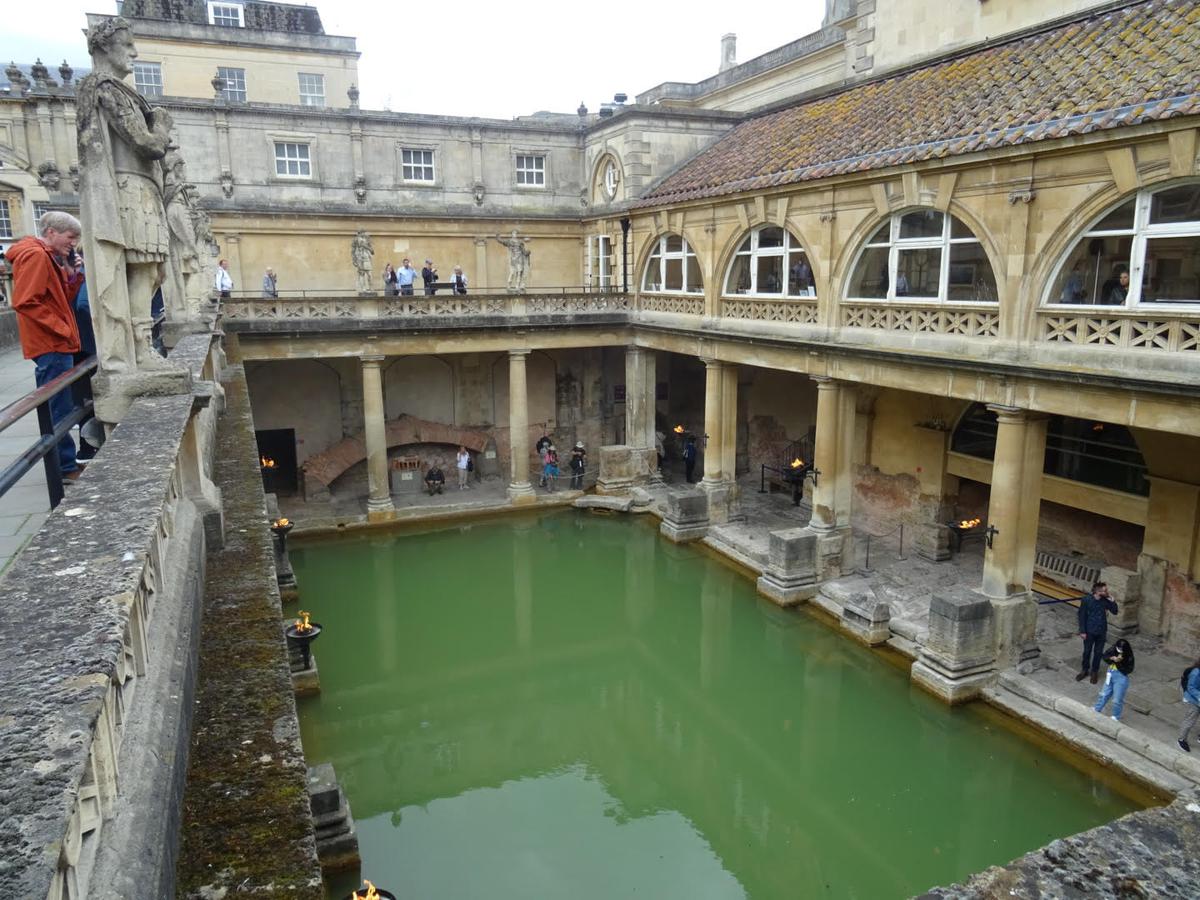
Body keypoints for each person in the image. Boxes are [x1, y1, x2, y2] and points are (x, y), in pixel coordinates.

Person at [5, 211, 84, 482]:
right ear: (51, 232)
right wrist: (62, 329)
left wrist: (73, 276)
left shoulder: (49, 257)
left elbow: (60, 299)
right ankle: (65, 467)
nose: (73, 243)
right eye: (70, 237)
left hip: (55, 342)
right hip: (52, 343)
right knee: (58, 406)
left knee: (60, 403)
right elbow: (25, 301)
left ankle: (65, 463)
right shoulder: (37, 256)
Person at [66, 249, 99, 462]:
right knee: (89, 398)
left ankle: (86, 450)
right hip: (87, 345)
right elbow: (84, 305)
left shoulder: (79, 273)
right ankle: (86, 450)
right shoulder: (87, 272)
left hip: (78, 343)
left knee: (84, 398)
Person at [1076, 581, 1118, 684]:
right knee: (1087, 651)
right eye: (1105, 590)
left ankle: (1094, 672)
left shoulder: (1105, 600)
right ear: (1097, 591)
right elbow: (1082, 615)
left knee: (1098, 653)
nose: (1107, 592)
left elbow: (1115, 611)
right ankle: (1084, 670)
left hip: (1101, 631)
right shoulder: (1086, 600)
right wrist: (1082, 631)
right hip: (1089, 631)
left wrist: (1112, 600)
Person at [1093, 638, 1134, 722]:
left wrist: (1118, 662)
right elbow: (1105, 656)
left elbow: (1128, 669)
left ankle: (1115, 716)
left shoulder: (1129, 655)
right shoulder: (1114, 648)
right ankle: (1097, 708)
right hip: (1110, 673)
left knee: (1117, 699)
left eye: (1121, 649)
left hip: (1121, 677)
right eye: (1118, 648)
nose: (1119, 650)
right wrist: (1111, 658)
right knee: (1104, 693)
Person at [1178, 660, 1200, 752]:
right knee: (1190, 720)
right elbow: (1191, 687)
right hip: (1193, 700)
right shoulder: (1196, 673)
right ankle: (1181, 739)